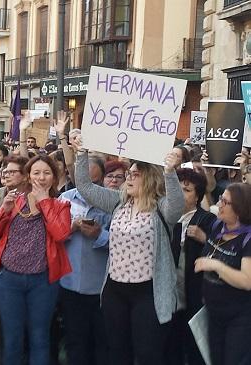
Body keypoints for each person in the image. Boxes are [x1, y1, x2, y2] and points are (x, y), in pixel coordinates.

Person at [74, 137, 184, 365]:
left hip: (148, 293)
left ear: (150, 178)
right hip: (116, 291)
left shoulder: (161, 208)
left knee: (148, 354)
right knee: (117, 352)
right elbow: (84, 187)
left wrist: (170, 172)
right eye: (129, 173)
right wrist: (81, 153)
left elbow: (177, 206)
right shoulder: (118, 202)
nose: (128, 177)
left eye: (135, 174)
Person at [0, 154, 72, 365]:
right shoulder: (14, 201)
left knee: (39, 337)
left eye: (47, 173)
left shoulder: (61, 205)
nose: (41, 178)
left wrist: (44, 201)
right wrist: (3, 210)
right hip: (8, 279)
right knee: (12, 337)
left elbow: (61, 234)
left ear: (54, 177)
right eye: (36, 173)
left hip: (42, 281)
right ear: (28, 176)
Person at [58, 156, 112, 365]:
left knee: (103, 342)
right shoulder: (64, 199)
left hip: (103, 287)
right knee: (75, 341)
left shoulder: (113, 202)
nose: (90, 190)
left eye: (95, 184)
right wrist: (69, 228)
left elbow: (125, 242)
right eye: (85, 183)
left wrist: (100, 235)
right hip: (70, 284)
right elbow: (51, 237)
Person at [164, 168, 217, 365]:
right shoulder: (165, 216)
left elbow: (223, 251)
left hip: (194, 295)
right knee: (171, 346)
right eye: (176, 188)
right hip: (169, 295)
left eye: (186, 190)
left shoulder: (207, 219)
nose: (179, 193)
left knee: (195, 348)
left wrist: (205, 238)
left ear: (197, 197)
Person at [195, 183, 251, 365]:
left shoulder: (247, 239)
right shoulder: (218, 226)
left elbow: (247, 281)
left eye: (225, 202)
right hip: (214, 314)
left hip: (239, 319)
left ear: (240, 209)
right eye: (221, 199)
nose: (219, 204)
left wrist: (216, 266)